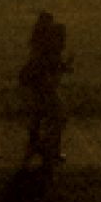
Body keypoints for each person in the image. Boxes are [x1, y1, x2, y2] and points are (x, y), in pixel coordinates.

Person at [18, 9, 70, 173]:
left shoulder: (41, 47)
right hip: (42, 88)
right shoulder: (47, 49)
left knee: (42, 118)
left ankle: (42, 149)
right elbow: (46, 69)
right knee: (56, 117)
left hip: (37, 88)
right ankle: (46, 149)